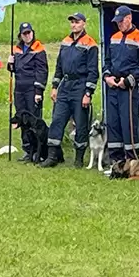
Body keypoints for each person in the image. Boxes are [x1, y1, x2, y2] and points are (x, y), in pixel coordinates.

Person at [42, 13, 99, 168]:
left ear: (84, 24)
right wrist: (54, 86)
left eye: (77, 22)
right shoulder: (65, 42)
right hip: (65, 86)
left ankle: (79, 159)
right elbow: (59, 66)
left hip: (80, 86)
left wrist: (88, 93)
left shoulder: (90, 44)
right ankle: (52, 156)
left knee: (80, 123)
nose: (74, 25)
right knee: (57, 120)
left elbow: (93, 72)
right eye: (72, 22)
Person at [103, 6, 139, 164]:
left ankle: (132, 159)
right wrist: (107, 76)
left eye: (121, 21)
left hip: (129, 88)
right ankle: (115, 161)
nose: (119, 24)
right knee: (113, 122)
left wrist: (128, 80)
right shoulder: (114, 37)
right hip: (113, 85)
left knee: (128, 122)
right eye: (117, 22)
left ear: (129, 18)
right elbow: (107, 61)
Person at [7, 22, 48, 162]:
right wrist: (10, 63)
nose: (27, 35)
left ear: (32, 33)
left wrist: (38, 91)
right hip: (19, 90)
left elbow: (42, 71)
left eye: (29, 32)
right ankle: (27, 149)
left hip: (32, 89)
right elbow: (13, 70)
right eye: (24, 33)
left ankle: (38, 150)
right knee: (22, 120)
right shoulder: (16, 50)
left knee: (34, 121)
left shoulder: (39, 49)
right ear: (20, 35)